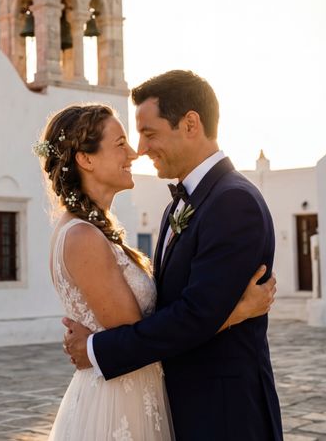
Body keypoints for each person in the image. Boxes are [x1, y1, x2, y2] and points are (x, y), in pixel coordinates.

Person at [62, 71, 284, 441]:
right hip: (184, 407)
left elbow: (195, 315)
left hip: (225, 414)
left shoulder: (233, 201)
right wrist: (236, 311)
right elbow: (178, 308)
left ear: (190, 124)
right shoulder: (180, 205)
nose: (141, 149)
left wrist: (97, 349)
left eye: (149, 133)